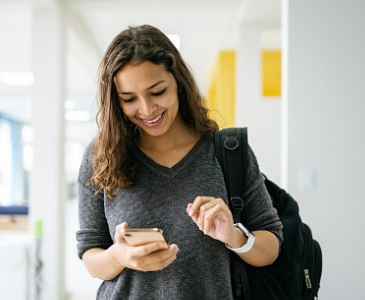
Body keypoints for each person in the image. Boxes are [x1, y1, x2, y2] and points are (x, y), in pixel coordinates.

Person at [76, 24, 283, 299]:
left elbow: (271, 248)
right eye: (129, 99)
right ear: (116, 101)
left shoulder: (226, 152)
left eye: (157, 91)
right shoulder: (100, 156)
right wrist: (119, 257)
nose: (147, 109)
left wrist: (233, 235)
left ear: (178, 83)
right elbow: (91, 254)